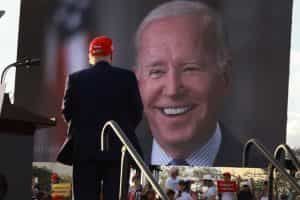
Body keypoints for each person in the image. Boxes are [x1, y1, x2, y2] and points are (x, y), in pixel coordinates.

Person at [134, 0, 242, 166]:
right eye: (157, 71)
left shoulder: (270, 173)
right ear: (138, 83)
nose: (172, 90)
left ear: (224, 77)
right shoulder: (108, 170)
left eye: (190, 69)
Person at [58, 35, 143, 200]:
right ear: (111, 55)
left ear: (90, 56)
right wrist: (122, 131)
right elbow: (137, 112)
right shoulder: (127, 78)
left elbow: (67, 111)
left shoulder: (76, 79)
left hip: (84, 151)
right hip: (118, 150)